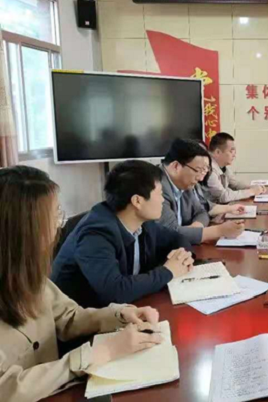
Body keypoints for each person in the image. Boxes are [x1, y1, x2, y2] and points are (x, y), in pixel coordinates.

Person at [0, 166, 164, 401]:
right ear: (22, 228)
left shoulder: (29, 275)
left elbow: (69, 317)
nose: (57, 225)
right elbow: (6, 389)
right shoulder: (98, 229)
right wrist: (99, 353)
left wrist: (120, 314)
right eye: (53, 215)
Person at [52, 160, 195, 308]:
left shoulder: (142, 222)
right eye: (159, 194)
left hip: (125, 309)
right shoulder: (96, 235)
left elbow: (177, 238)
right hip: (79, 317)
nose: (163, 200)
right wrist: (168, 271)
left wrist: (182, 256)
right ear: (137, 201)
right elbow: (115, 292)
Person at [159, 138, 245, 244]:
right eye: (198, 170)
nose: (200, 178)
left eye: (204, 171)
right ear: (176, 166)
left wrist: (195, 229)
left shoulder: (184, 182)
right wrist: (219, 231)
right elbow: (170, 233)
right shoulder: (157, 186)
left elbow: (201, 211)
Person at [202, 132, 266, 203]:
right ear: (218, 152)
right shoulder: (208, 168)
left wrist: (252, 187)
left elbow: (235, 184)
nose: (234, 155)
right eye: (231, 151)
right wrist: (251, 192)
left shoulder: (222, 166)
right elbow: (223, 196)